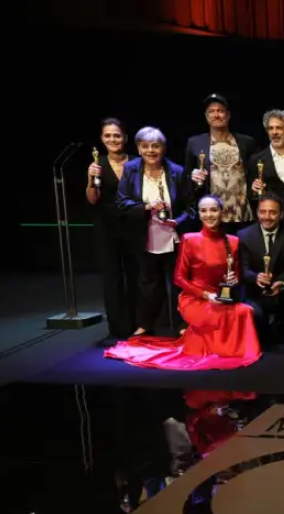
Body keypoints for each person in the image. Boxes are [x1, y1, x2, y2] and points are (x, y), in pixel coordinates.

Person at [105, 195, 261, 370]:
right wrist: (204, 294)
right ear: (199, 214)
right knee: (219, 314)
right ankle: (218, 349)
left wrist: (233, 280)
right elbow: (179, 278)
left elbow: (236, 275)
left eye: (213, 210)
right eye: (204, 211)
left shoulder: (233, 241)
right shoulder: (190, 239)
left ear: (222, 213)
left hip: (220, 298)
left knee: (245, 311)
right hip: (194, 299)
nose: (209, 215)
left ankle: (227, 351)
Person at [116, 126, 191, 336]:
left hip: (174, 236)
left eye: (155, 146)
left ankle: (182, 323)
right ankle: (146, 323)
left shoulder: (177, 171)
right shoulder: (131, 170)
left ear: (163, 148)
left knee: (178, 282)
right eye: (145, 146)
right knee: (148, 283)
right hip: (144, 235)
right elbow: (121, 203)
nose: (151, 150)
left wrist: (179, 221)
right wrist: (146, 207)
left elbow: (191, 206)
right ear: (139, 149)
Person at [86, 117, 137, 340]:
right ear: (102, 139)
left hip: (134, 225)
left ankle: (139, 323)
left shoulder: (137, 162)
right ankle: (117, 327)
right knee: (112, 276)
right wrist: (91, 179)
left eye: (117, 135)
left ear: (124, 137)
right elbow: (92, 199)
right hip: (107, 227)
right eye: (108, 135)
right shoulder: (97, 164)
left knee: (136, 274)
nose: (112, 139)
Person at [238, 192, 284, 346]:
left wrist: (282, 282)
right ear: (257, 213)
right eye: (263, 212)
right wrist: (255, 277)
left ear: (281, 215)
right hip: (256, 290)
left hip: (282, 289)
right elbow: (242, 268)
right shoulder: (244, 235)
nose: (267, 217)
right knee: (261, 328)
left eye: (272, 212)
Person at [187, 94, 260, 232]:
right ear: (206, 116)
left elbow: (259, 169)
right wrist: (192, 176)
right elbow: (186, 176)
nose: (216, 115)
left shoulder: (246, 142)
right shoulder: (195, 143)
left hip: (243, 216)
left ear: (228, 115)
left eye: (220, 111)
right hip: (212, 217)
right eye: (211, 111)